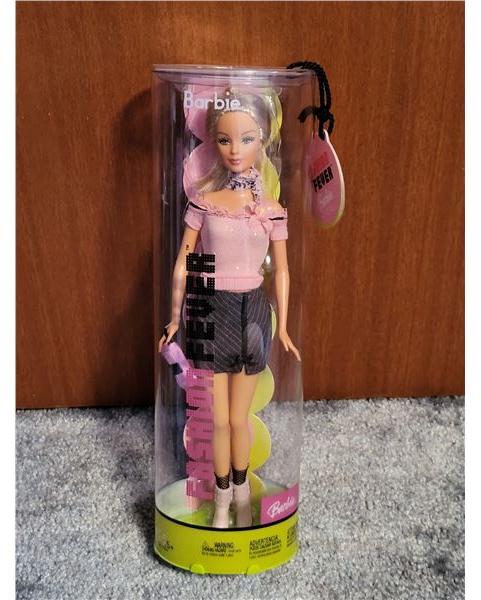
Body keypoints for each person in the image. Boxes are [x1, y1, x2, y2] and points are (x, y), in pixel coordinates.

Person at [158, 87, 301, 528]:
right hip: (208, 307)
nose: (235, 149)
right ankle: (221, 504)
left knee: (239, 418)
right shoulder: (204, 201)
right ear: (213, 142)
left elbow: (282, 270)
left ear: (263, 141)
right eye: (224, 139)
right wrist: (174, 317)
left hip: (253, 311)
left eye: (246, 138)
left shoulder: (271, 210)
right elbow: (183, 261)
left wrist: (284, 326)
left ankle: (242, 499)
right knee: (218, 420)